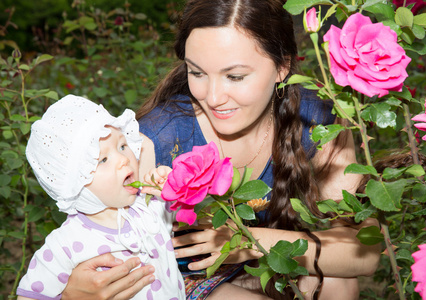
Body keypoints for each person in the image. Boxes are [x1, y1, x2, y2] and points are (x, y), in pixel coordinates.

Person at [61, 0, 381, 299]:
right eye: (197, 73)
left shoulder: (320, 123)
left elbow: (363, 253)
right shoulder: (154, 140)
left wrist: (250, 243)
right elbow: (92, 251)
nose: (213, 97)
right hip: (175, 279)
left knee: (335, 281)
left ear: (282, 67)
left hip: (258, 259)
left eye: (235, 76)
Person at [16, 95, 185, 300]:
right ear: (75, 184)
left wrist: (173, 187)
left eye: (122, 146)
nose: (124, 159)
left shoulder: (151, 207)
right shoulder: (66, 244)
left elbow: (189, 214)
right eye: (103, 159)